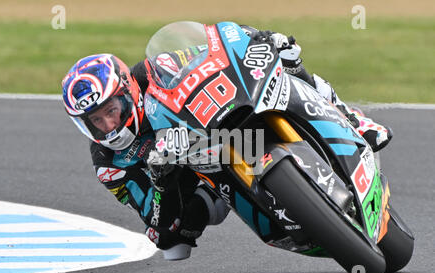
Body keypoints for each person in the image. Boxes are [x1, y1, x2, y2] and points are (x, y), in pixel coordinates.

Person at [61, 23, 392, 260]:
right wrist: (162, 181)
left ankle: (351, 118)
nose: (108, 124)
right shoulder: (109, 163)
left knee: (287, 61)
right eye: (96, 120)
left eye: (111, 110)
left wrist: (257, 39)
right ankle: (279, 211)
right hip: (196, 178)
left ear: (126, 90)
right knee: (175, 245)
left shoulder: (152, 70)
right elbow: (157, 228)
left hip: (214, 123)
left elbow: (215, 49)